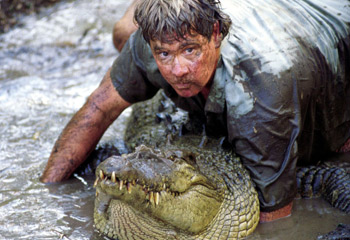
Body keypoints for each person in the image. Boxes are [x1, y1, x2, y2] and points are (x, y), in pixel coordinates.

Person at [40, 0, 350, 223]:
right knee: (121, 33)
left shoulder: (261, 92)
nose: (178, 70)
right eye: (164, 54)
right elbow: (97, 108)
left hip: (332, 19)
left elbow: (277, 217)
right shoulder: (148, 45)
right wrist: (47, 197)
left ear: (216, 33)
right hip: (266, 15)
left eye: (190, 50)